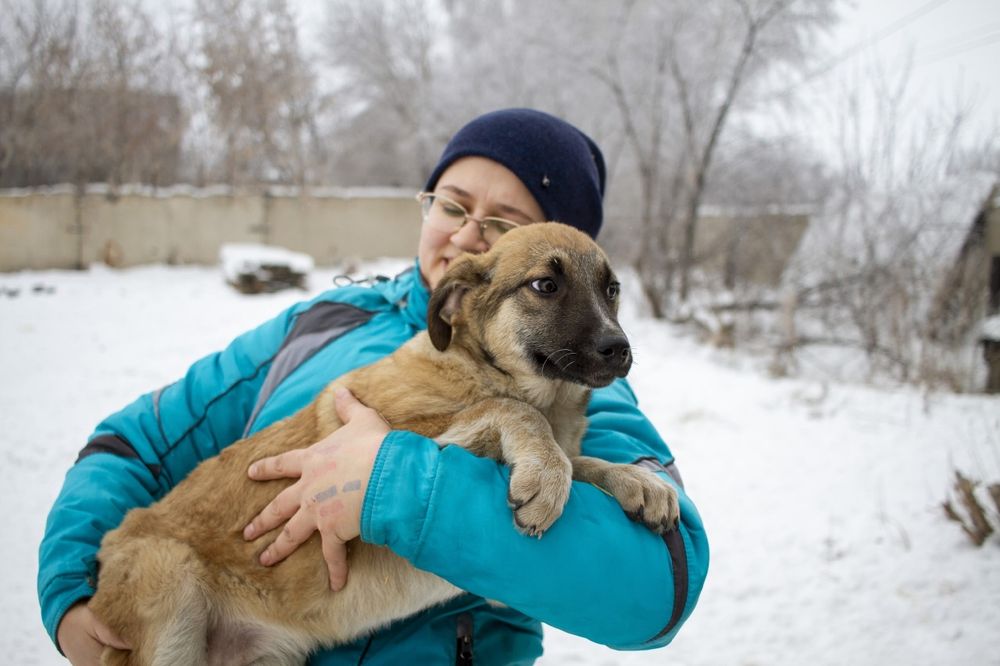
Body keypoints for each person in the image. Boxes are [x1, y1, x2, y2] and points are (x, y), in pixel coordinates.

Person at [39, 108, 709, 665]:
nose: (467, 232)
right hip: (214, 592)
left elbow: (661, 589)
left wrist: (390, 477)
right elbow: (133, 443)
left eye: (503, 222)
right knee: (164, 578)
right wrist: (70, 591)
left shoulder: (586, 389)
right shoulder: (320, 323)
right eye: (451, 203)